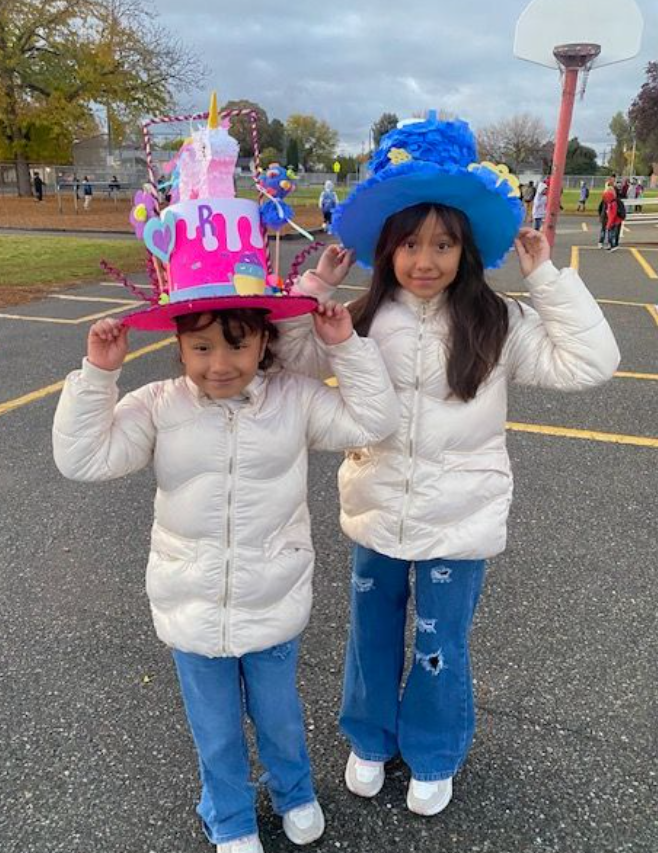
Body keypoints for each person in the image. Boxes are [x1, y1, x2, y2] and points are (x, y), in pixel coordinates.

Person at [52, 104, 399, 853]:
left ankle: (296, 790)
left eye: (237, 344)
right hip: (191, 608)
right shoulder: (159, 407)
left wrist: (345, 347)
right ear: (179, 343)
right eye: (202, 345)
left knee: (278, 715)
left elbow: (370, 422)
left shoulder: (294, 400)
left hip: (273, 602)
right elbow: (82, 458)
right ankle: (232, 815)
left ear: (265, 338)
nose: (219, 362)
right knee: (214, 729)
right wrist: (97, 376)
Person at [276, 113, 620, 818]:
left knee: (439, 644)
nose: (425, 259)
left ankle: (434, 750)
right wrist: (313, 288)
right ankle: (369, 736)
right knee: (371, 635)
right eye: (410, 242)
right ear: (387, 246)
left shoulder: (498, 322)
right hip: (377, 509)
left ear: (467, 249)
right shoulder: (363, 318)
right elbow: (288, 360)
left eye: (443, 242)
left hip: (459, 522)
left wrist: (544, 275)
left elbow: (593, 361)